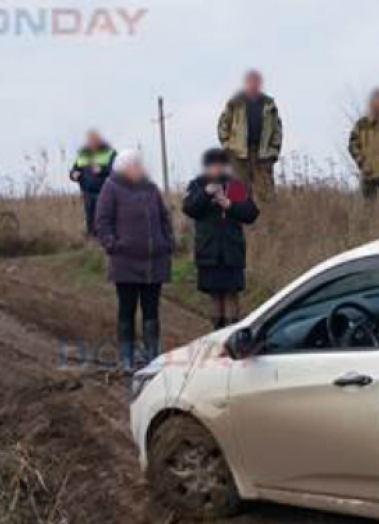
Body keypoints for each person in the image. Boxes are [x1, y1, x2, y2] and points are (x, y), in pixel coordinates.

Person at [95, 150, 174, 371]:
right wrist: (112, 244)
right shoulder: (111, 187)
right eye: (134, 164)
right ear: (123, 167)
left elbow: (164, 217)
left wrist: (167, 243)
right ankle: (127, 359)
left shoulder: (150, 187)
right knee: (127, 310)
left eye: (139, 163)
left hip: (153, 262)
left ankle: (152, 358)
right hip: (125, 263)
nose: (138, 167)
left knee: (152, 311)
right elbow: (101, 221)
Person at [182, 149, 260, 330]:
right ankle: (217, 335)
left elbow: (251, 213)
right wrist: (206, 192)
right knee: (215, 296)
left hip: (232, 252)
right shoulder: (197, 184)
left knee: (232, 295)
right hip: (208, 252)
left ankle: (233, 336)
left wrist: (230, 204)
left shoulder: (235, 186)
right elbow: (189, 208)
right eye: (212, 165)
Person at [217, 70, 283, 205]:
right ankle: (239, 223)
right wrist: (227, 147)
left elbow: (277, 129)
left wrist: (273, 152)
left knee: (266, 194)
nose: (254, 85)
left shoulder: (269, 104)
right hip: (238, 154)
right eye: (251, 82)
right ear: (246, 84)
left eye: (257, 82)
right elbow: (223, 125)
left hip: (263, 154)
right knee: (238, 193)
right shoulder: (235, 102)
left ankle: (270, 222)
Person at [69, 130, 116, 237]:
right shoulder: (83, 155)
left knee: (103, 217)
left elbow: (116, 171)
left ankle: (107, 239)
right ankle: (91, 241)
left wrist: (102, 170)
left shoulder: (110, 154)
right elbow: (74, 170)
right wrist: (73, 175)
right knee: (90, 218)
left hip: (104, 192)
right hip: (87, 192)